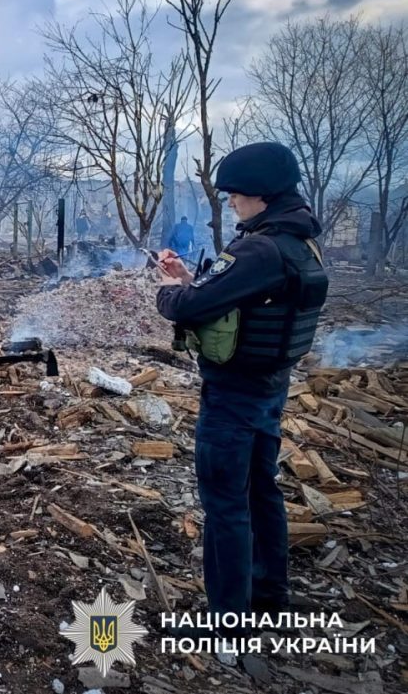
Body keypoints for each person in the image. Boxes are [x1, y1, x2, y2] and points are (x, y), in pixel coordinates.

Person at [154, 142, 329, 630]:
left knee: (226, 503)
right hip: (270, 384)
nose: (231, 202)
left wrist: (169, 290)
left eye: (235, 195)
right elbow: (241, 301)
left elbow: (188, 308)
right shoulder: (299, 242)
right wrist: (192, 279)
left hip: (234, 394)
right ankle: (271, 596)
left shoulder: (259, 248)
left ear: (262, 194)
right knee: (260, 491)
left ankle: (228, 621)